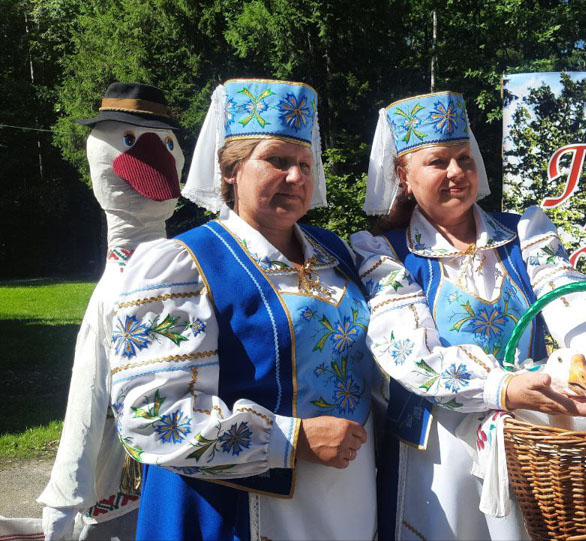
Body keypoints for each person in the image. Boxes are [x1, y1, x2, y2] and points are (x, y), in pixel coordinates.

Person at [351, 91, 586, 540]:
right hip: (438, 453)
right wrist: (501, 386)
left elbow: (575, 304)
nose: (457, 172)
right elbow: (404, 347)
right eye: (439, 162)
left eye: (465, 159)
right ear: (403, 175)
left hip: (532, 441)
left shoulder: (523, 235)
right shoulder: (384, 254)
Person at [109, 78, 375, 540]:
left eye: (306, 164)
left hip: (348, 495)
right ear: (230, 171)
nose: (296, 178)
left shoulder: (334, 252)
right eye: (277, 160)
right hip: (241, 507)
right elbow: (150, 418)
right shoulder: (184, 264)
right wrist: (291, 441)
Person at [38, 82, 185, 541]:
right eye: (129, 139)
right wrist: (65, 493)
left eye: (165, 143)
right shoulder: (115, 292)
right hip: (128, 480)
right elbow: (88, 391)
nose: (156, 156)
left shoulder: (188, 263)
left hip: (190, 464)